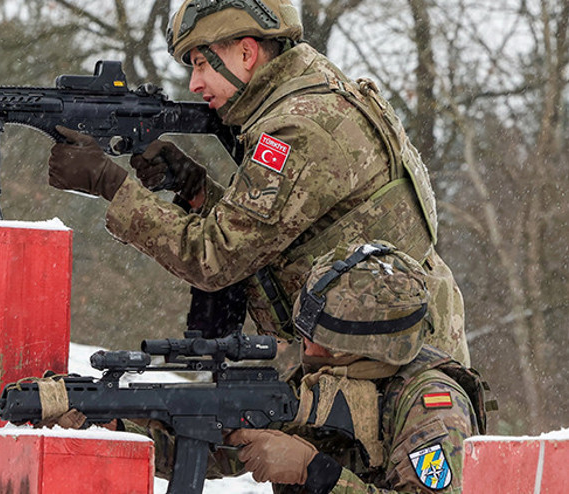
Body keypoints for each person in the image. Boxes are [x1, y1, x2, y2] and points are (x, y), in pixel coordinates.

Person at [46, 0, 469, 366]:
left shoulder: (297, 128)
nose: (194, 84)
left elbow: (213, 257)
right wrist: (197, 191)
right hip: (383, 349)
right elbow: (280, 234)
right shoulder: (315, 97)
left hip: (388, 367)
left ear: (247, 53)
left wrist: (109, 182)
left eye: (199, 63)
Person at [129, 242, 492, 493]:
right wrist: (119, 428)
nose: (302, 339)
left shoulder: (432, 402)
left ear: (362, 344)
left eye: (317, 332)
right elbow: (216, 451)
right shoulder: (327, 378)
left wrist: (314, 471)